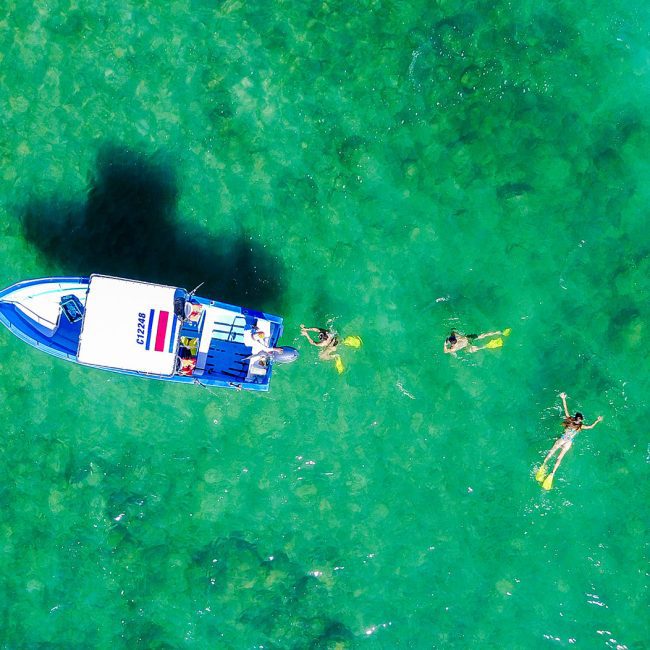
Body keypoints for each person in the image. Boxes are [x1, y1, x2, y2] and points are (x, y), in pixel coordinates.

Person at [536, 392, 603, 489]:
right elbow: (590, 427)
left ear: (575, 418)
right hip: (568, 443)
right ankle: (552, 473)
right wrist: (597, 420)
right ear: (580, 420)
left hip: (562, 439)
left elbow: (565, 409)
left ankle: (544, 464)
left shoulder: (569, 420)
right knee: (559, 458)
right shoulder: (580, 426)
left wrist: (563, 398)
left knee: (552, 451)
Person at [443, 328, 508, 354]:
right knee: (482, 335)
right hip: (468, 339)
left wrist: (445, 344)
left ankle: (485, 346)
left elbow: (445, 351)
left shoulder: (453, 348)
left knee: (470, 350)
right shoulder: (456, 336)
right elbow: (453, 331)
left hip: (467, 344)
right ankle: (499, 332)